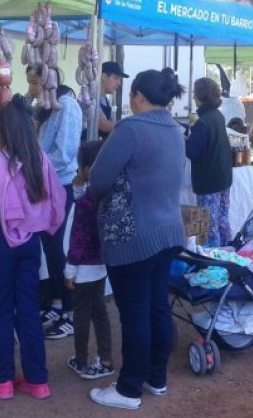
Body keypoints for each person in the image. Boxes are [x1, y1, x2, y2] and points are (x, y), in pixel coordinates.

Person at [88, 68, 186, 410]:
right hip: (168, 231)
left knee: (134, 313)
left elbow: (98, 178)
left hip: (134, 236)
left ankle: (129, 389)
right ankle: (156, 378)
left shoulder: (130, 129)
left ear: (138, 97)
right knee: (157, 306)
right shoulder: (175, 128)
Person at [0, 95, 66, 401]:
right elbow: (55, 199)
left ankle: (2, 379)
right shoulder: (41, 161)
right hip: (30, 243)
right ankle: (38, 380)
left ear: (5, 130)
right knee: (28, 309)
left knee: (1, 310)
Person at [26, 64, 83, 340]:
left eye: (35, 84)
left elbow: (65, 153)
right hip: (43, 183)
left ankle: (70, 313)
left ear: (48, 81)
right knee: (49, 246)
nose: (32, 91)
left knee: (56, 247)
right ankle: (58, 303)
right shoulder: (44, 105)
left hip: (59, 183)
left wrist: (34, 166)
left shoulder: (68, 106)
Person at [64, 140, 115, 380]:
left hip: (82, 267)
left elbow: (78, 239)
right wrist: (78, 190)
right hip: (100, 266)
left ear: (86, 169)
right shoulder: (104, 195)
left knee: (81, 313)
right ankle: (106, 358)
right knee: (100, 312)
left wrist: (69, 271)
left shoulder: (85, 204)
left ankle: (80, 360)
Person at [186, 77, 233, 246]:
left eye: (194, 93)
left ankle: (211, 261)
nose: (192, 96)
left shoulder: (203, 122)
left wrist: (181, 138)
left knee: (207, 225)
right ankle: (227, 252)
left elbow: (192, 151)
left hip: (208, 182)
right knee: (221, 220)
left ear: (200, 96)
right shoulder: (217, 116)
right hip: (223, 178)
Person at [97, 62, 128, 139]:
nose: (119, 83)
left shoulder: (106, 101)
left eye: (120, 80)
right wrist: (129, 124)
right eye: (116, 78)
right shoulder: (90, 99)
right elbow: (104, 125)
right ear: (104, 76)